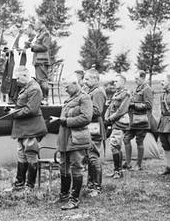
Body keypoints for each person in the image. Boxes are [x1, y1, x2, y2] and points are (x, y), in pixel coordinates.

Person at [7, 66, 48, 192]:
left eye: (18, 78)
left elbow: (31, 109)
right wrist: (11, 109)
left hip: (32, 128)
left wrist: (14, 113)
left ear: (25, 76)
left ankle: (29, 186)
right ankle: (19, 184)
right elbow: (23, 105)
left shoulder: (35, 89)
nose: (17, 81)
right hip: (23, 129)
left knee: (31, 156)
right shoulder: (26, 87)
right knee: (21, 155)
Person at [56, 73, 93, 210]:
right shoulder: (70, 99)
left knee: (76, 167)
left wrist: (67, 121)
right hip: (65, 138)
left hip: (77, 139)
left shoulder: (84, 98)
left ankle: (74, 200)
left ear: (75, 84)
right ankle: (64, 195)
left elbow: (86, 118)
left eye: (67, 86)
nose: (65, 89)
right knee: (63, 166)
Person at [82, 68, 107, 196]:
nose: (84, 81)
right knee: (89, 156)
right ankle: (90, 184)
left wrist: (83, 109)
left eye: (87, 79)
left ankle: (96, 187)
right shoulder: (91, 91)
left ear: (95, 79)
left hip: (95, 126)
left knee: (94, 156)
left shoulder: (98, 92)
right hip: (90, 126)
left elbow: (97, 111)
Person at [124, 70, 154, 171]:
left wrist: (133, 105)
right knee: (126, 138)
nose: (135, 80)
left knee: (139, 141)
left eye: (137, 78)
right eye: (135, 78)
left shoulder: (147, 89)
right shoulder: (137, 88)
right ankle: (127, 163)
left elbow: (149, 105)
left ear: (143, 78)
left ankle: (138, 164)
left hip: (142, 120)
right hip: (132, 119)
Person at [104, 74, 131, 179]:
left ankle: (118, 171)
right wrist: (107, 117)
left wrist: (110, 119)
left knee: (115, 145)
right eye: (114, 81)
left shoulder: (126, 94)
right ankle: (117, 170)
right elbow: (110, 107)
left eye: (116, 81)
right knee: (114, 145)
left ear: (123, 82)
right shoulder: (117, 93)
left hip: (119, 122)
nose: (114, 83)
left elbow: (121, 110)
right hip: (114, 121)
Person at [25, 22, 51, 104]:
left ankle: (45, 99)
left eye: (36, 24)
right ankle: (42, 98)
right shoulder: (41, 33)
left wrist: (32, 46)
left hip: (42, 60)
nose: (34, 26)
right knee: (39, 80)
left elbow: (45, 47)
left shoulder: (46, 33)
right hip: (38, 60)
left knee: (43, 80)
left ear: (41, 24)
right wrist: (31, 45)